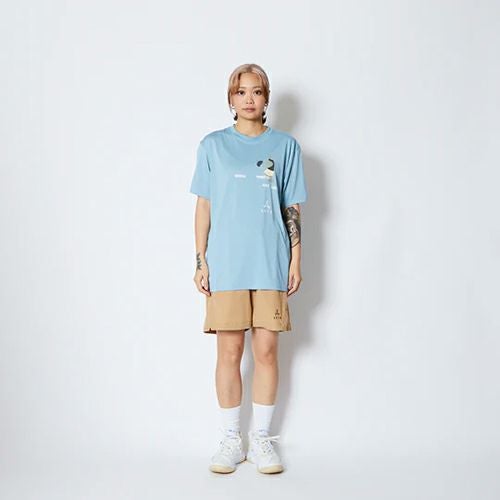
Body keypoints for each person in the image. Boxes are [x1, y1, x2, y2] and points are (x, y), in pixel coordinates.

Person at [189, 63, 308, 474]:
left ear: (266, 98)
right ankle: (230, 439)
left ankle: (261, 440)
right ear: (231, 99)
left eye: (256, 91)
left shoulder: (286, 146)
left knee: (267, 351)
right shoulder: (212, 146)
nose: (249, 99)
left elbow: (292, 206)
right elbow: (203, 206)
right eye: (241, 92)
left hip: (270, 261)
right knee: (229, 351)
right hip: (227, 264)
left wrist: (295, 259)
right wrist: (201, 260)